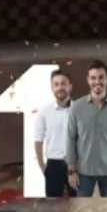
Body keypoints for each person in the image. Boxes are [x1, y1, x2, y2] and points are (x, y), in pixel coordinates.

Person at [66, 60, 107, 198]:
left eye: (101, 77)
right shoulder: (76, 108)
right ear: (88, 80)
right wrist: (71, 171)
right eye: (93, 78)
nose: (97, 81)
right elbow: (70, 139)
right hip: (83, 173)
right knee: (83, 209)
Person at [33, 69, 76, 198]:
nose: (60, 87)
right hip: (54, 165)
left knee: (80, 204)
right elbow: (38, 139)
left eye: (63, 84)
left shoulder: (80, 110)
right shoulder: (44, 112)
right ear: (52, 88)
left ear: (70, 86)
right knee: (53, 206)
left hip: (77, 165)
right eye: (56, 84)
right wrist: (42, 165)